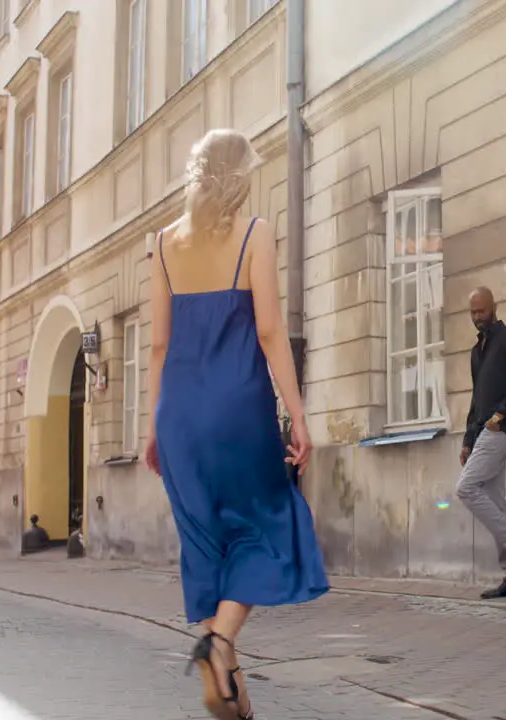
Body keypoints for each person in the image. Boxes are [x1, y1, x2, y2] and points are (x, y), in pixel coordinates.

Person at [145, 128, 329, 720]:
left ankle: (233, 689)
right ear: (241, 176)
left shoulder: (164, 243)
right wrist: (298, 417)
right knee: (267, 526)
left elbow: (157, 345)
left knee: (204, 544)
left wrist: (153, 428)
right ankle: (220, 644)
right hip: (237, 410)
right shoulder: (255, 234)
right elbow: (271, 332)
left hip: (179, 416)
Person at [457, 287, 506, 599]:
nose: (478, 317)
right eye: (473, 313)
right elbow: (476, 400)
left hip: (501, 430)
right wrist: (466, 439)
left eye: (482, 311)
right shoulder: (477, 352)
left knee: (465, 488)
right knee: (494, 499)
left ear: (494, 307)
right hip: (480, 433)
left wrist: (501, 414)